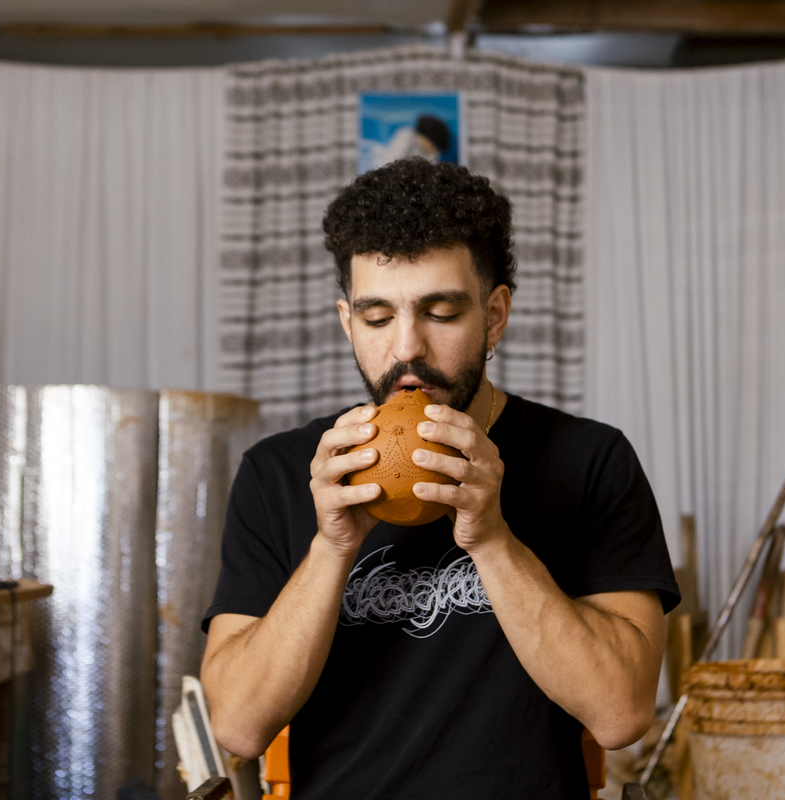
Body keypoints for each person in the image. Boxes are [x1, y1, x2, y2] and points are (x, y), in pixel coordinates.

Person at [200, 158, 679, 799]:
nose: (406, 348)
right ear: (347, 322)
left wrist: (492, 540)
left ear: (495, 315)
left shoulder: (591, 460)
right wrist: (333, 547)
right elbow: (237, 725)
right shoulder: (281, 472)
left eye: (442, 312)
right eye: (377, 318)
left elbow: (622, 714)